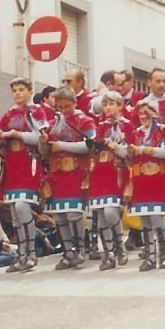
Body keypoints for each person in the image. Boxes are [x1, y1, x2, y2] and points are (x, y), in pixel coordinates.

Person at [40, 86, 96, 270]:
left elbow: (89, 145)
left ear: (74, 102)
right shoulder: (52, 124)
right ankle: (67, 252)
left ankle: (80, 249)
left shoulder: (85, 121)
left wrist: (62, 145)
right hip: (56, 174)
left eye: (67, 106)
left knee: (74, 213)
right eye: (60, 107)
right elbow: (44, 152)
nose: (64, 110)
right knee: (60, 216)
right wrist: (43, 143)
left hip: (76, 172)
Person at [0, 77, 48, 272]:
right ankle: (22, 254)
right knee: (15, 213)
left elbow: (40, 138)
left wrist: (17, 135)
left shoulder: (36, 111)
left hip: (28, 163)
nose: (17, 93)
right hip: (12, 164)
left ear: (29, 92)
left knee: (22, 206)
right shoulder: (9, 114)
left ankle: (32, 253)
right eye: (15, 90)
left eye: (21, 89)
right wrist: (0, 138)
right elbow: (0, 136)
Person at [88, 92, 135, 270]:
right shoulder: (101, 126)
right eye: (105, 104)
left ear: (120, 105)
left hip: (117, 172)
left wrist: (117, 148)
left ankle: (119, 246)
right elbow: (94, 148)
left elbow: (130, 152)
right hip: (100, 171)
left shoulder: (127, 126)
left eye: (111, 103)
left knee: (110, 211)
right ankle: (108, 255)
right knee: (101, 216)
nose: (108, 107)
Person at [128, 99, 165, 271]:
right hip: (140, 180)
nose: (143, 116)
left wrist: (142, 150)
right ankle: (149, 256)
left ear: (155, 114)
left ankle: (162, 254)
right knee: (144, 218)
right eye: (140, 113)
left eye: (147, 113)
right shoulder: (136, 133)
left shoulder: (163, 130)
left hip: (157, 179)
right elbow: (128, 152)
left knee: (156, 216)